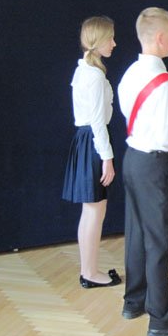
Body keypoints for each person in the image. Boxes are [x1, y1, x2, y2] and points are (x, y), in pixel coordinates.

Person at [117, 7, 168, 336]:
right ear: (161, 38)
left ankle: (134, 301)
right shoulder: (166, 83)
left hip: (133, 158)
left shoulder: (130, 72)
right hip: (155, 167)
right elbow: (167, 137)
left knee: (136, 235)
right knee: (159, 242)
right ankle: (161, 319)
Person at [62, 16, 122, 289]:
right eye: (110, 38)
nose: (114, 43)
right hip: (94, 142)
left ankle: (89, 270)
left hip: (86, 140)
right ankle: (90, 273)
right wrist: (107, 158)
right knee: (95, 211)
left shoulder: (83, 70)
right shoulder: (94, 76)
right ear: (98, 41)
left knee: (91, 210)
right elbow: (98, 121)